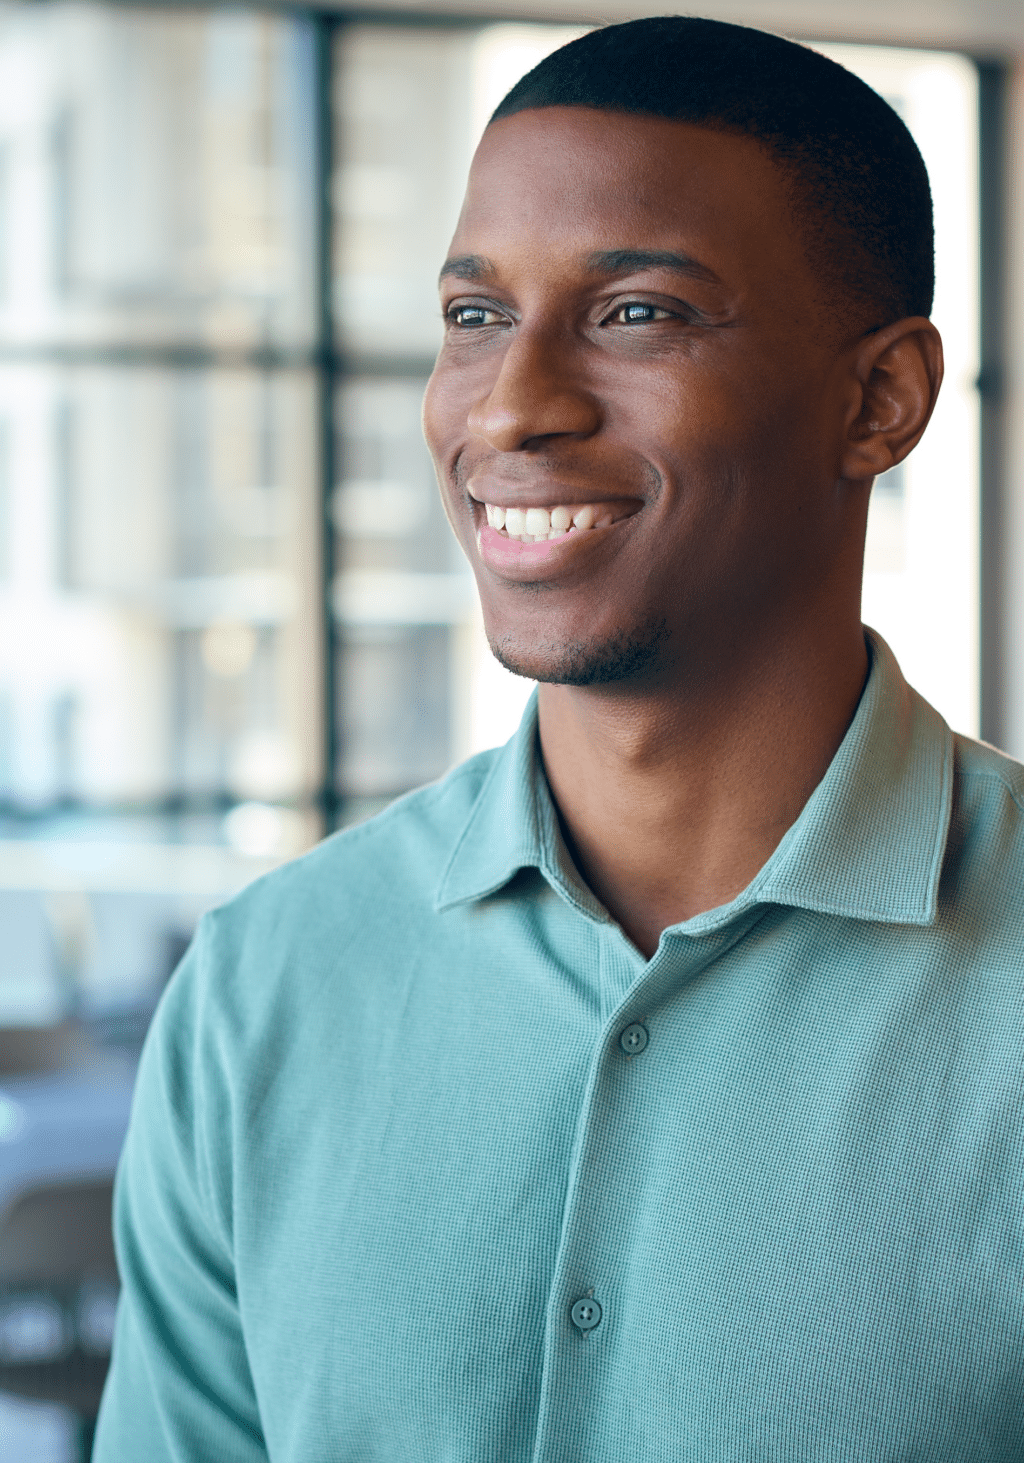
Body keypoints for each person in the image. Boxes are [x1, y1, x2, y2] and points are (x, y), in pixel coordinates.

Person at [95, 17, 1024, 1460]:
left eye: (637, 313)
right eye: (474, 317)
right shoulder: (266, 984)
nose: (512, 405)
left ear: (879, 400)